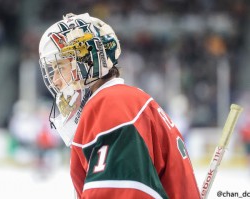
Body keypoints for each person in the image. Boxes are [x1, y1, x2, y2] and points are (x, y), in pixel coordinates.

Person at [38, 13, 200, 199]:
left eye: (60, 67)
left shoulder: (111, 105)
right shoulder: (126, 100)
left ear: (86, 63)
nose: (56, 81)